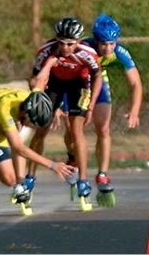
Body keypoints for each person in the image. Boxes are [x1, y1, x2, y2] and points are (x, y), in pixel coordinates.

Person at [60, 13, 143, 201]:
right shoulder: (83, 47)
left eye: (112, 43)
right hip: (76, 84)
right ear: (96, 41)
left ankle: (102, 174)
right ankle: (72, 156)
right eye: (104, 44)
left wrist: (134, 111)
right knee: (73, 131)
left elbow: (136, 83)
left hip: (99, 84)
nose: (108, 48)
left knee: (104, 128)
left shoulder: (119, 52)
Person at [25, 17, 103, 208]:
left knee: (77, 132)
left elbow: (98, 75)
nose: (65, 47)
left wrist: (91, 105)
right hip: (55, 85)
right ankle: (29, 179)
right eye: (61, 43)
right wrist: (49, 106)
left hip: (79, 84)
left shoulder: (88, 54)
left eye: (70, 44)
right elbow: (35, 80)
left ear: (78, 41)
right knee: (41, 129)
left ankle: (83, 181)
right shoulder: (46, 51)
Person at [0, 82, 74, 204]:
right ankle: (14, 181)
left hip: (9, 112)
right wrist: (52, 165)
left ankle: (21, 184)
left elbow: (37, 83)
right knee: (8, 179)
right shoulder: (4, 111)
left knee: (16, 134)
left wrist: (55, 109)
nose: (32, 127)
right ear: (25, 114)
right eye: (32, 123)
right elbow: (19, 148)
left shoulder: (30, 97)